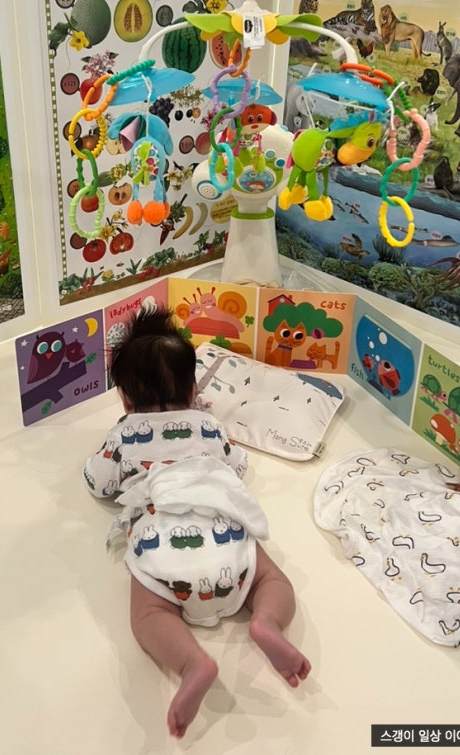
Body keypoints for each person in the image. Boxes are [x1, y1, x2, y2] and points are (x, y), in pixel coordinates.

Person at [83, 306, 311, 739]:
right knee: (270, 579)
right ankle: (266, 621)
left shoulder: (124, 433)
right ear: (193, 390)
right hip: (223, 530)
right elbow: (237, 467)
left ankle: (191, 662)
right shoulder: (207, 425)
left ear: (125, 399)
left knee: (150, 613)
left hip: (161, 542)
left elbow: (98, 483)